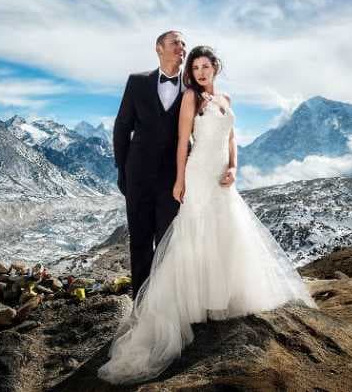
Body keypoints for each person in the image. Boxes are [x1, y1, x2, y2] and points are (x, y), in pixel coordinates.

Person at [99, 45, 316, 385]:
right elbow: (182, 142)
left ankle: (220, 298)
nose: (199, 72)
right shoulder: (190, 98)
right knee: (195, 234)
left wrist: (234, 167)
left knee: (225, 233)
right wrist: (180, 180)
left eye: (204, 66)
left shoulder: (226, 99)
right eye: (195, 67)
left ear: (215, 67)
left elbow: (232, 139)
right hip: (199, 174)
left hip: (221, 178)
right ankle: (192, 303)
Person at [112, 30, 188, 299]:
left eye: (183, 43)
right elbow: (122, 128)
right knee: (141, 242)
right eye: (175, 42)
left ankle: (165, 303)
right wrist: (122, 171)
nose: (182, 47)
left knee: (168, 242)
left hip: (172, 181)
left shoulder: (191, 88)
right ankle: (142, 305)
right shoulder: (137, 82)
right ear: (159, 48)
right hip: (138, 176)